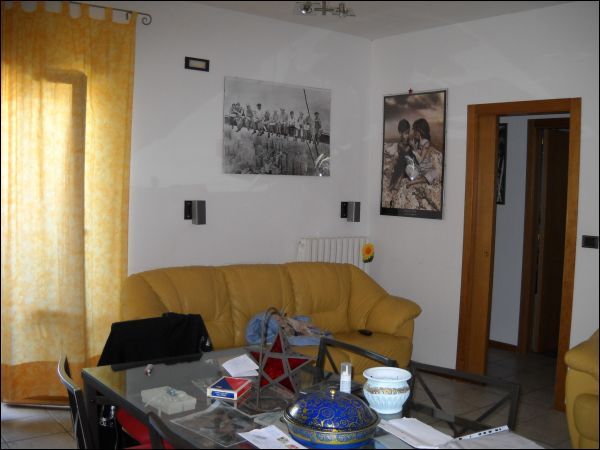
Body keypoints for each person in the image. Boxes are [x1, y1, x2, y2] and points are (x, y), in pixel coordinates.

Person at [407, 118, 442, 187]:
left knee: (435, 173)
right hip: (419, 168)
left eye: (415, 131)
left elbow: (420, 160)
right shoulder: (417, 142)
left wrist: (413, 148)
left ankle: (417, 181)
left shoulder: (426, 143)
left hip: (426, 167)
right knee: (408, 168)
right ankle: (418, 178)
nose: (414, 133)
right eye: (414, 130)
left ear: (421, 131)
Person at [388, 119, 411, 189]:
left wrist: (410, 147)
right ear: (400, 133)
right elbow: (401, 150)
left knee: (402, 166)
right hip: (402, 160)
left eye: (408, 133)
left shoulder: (408, 141)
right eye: (405, 133)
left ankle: (397, 183)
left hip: (408, 162)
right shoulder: (400, 142)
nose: (407, 135)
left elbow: (408, 152)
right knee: (398, 167)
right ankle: (391, 184)